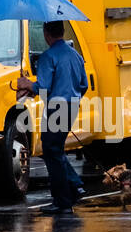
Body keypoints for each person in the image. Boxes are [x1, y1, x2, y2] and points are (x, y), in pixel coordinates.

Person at [17, 21, 88, 215]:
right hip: (72, 105)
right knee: (55, 149)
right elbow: (84, 84)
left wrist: (27, 84)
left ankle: (63, 201)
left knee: (51, 152)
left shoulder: (48, 56)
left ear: (46, 34)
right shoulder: (75, 55)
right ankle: (74, 186)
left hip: (56, 107)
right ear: (63, 31)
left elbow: (44, 87)